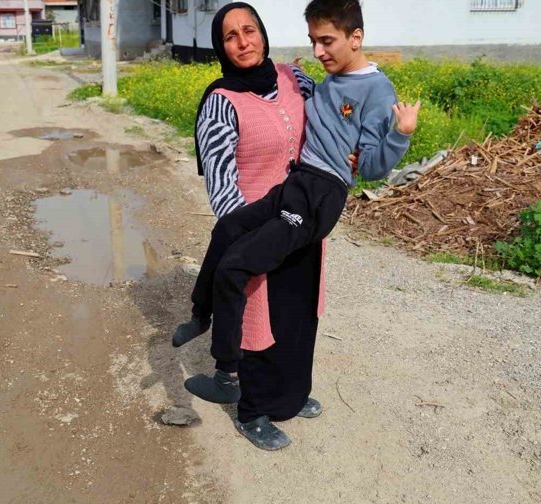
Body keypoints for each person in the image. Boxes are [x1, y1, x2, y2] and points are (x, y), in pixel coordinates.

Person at [175, 0, 420, 450]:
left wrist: (367, 152)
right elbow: (219, 176)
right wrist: (245, 227)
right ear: (220, 46)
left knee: (297, 312)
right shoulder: (220, 101)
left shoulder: (297, 77)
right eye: (230, 36)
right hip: (265, 214)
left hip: (304, 206)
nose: (243, 42)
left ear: (263, 33)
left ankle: (290, 394)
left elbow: (343, 118)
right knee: (257, 313)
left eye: (249, 30)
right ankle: (249, 404)